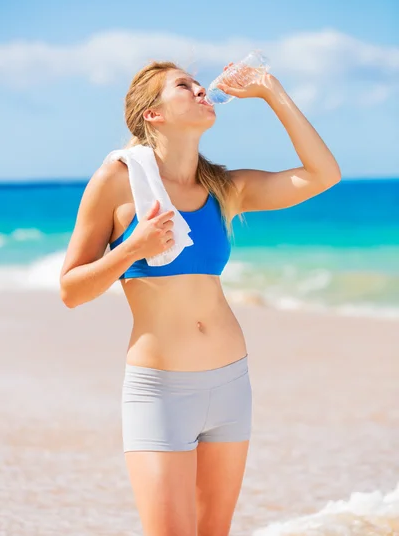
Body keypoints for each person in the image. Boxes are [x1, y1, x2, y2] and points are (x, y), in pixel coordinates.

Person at [59, 59, 341, 536]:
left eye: (197, 83)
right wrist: (132, 248)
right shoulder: (116, 182)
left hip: (231, 385)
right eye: (182, 86)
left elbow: (323, 174)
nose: (199, 89)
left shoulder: (223, 189)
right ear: (154, 114)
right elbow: (71, 290)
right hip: (160, 391)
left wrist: (272, 92)